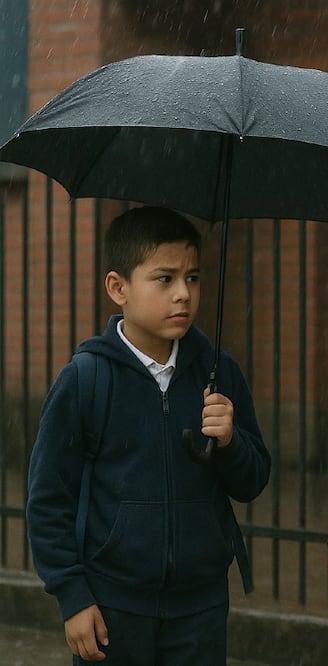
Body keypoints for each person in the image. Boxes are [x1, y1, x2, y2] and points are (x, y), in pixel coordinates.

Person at [26, 206, 271, 665]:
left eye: (193, 278)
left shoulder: (218, 373)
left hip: (200, 607)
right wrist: (72, 595)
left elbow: (253, 480)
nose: (184, 294)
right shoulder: (86, 380)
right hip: (112, 606)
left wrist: (230, 441)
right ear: (118, 288)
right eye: (165, 278)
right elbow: (47, 499)